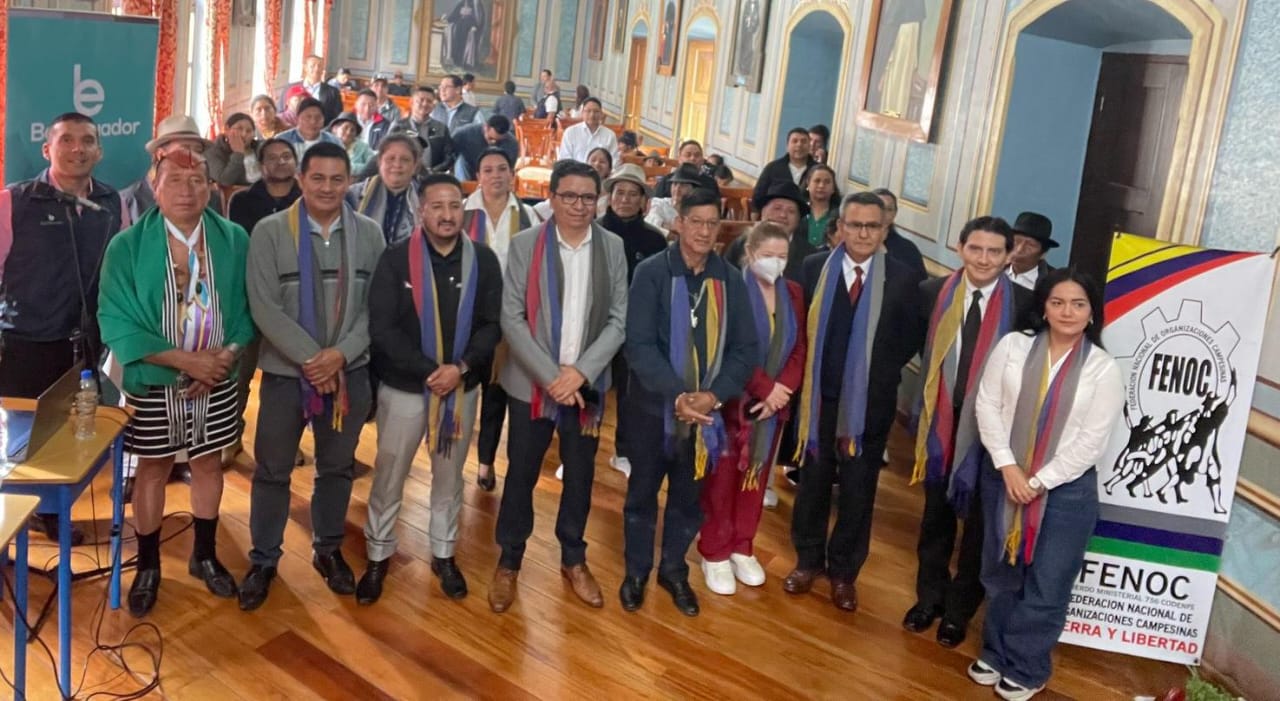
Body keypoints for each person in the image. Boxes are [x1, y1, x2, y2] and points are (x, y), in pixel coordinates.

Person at [97, 147, 253, 617]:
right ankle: (147, 565)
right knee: (153, 467)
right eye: (175, 180)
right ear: (155, 186)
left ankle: (204, 554)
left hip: (216, 378)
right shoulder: (126, 245)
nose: (187, 190)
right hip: (155, 378)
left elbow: (248, 307)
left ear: (210, 187)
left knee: (208, 464)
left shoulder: (233, 239)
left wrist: (222, 360)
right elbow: (115, 318)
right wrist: (187, 362)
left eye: (197, 180)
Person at [239, 142, 386, 611]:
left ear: (350, 182)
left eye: (337, 179)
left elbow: (375, 308)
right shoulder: (269, 232)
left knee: (337, 468)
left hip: (348, 375)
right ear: (301, 179)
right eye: (317, 178)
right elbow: (263, 305)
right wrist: (312, 359)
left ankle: (328, 549)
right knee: (272, 470)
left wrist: (338, 356)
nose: (327, 187)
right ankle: (264, 559)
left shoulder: (369, 234)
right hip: (285, 376)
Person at [969, 269, 1123, 701]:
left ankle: (1027, 666)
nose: (1067, 312)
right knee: (1000, 572)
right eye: (1058, 302)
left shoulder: (1102, 369)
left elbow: (1092, 441)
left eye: (1078, 304)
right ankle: (995, 652)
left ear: (1092, 312)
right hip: (1005, 478)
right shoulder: (1013, 346)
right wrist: (1009, 467)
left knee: (1048, 584)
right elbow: (987, 405)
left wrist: (1037, 481)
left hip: (1066, 492)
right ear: (1043, 307)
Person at [488, 160, 629, 614]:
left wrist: (579, 373)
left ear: (598, 201)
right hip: (532, 384)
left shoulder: (612, 247)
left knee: (581, 475)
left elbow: (618, 320)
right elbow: (511, 317)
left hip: (585, 387)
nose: (578, 205)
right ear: (551, 198)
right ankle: (510, 560)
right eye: (568, 196)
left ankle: (573, 558)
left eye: (588, 197)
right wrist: (552, 376)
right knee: (522, 474)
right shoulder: (526, 244)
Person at [357, 173, 503, 604]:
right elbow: (382, 328)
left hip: (460, 389)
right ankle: (378, 554)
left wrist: (460, 368)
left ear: (464, 210)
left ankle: (444, 553)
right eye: (437, 206)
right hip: (405, 388)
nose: (447, 214)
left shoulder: (483, 261)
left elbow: (492, 324)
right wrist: (429, 371)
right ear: (421, 211)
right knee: (390, 474)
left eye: (454, 205)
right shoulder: (395, 259)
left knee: (449, 476)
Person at [783, 191, 925, 612]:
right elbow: (797, 329)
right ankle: (807, 560)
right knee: (812, 482)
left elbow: (909, 338)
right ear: (840, 227)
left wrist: (873, 374)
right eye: (855, 225)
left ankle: (844, 572)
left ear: (885, 229)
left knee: (859, 488)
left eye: (872, 226)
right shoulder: (813, 268)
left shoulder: (903, 279)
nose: (863, 233)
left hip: (870, 405)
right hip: (819, 401)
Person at [620, 187, 757, 617]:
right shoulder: (651, 273)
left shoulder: (729, 280)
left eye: (712, 223)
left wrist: (713, 395)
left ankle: (674, 569)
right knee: (642, 494)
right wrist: (677, 395)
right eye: (695, 221)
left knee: (688, 498)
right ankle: (637, 570)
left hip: (705, 417)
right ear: (678, 223)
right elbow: (639, 345)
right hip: (651, 411)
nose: (703, 231)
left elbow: (745, 350)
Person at [904, 216, 1032, 650]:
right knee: (935, 517)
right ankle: (929, 599)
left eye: (995, 251)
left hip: (995, 433)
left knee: (980, 524)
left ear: (1009, 256)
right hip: (941, 425)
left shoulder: (1026, 305)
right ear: (960, 248)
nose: (983, 258)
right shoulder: (931, 293)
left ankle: (959, 612)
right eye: (975, 248)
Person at [697, 223, 806, 595]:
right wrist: (765, 388)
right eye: (767, 255)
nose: (775, 263)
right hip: (735, 403)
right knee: (722, 479)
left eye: (782, 256)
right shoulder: (730, 289)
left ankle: (742, 545)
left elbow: (799, 348)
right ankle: (714, 549)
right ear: (750, 253)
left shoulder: (793, 293)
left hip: (772, 409)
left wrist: (782, 391)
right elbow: (727, 347)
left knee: (757, 478)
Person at [462, 147, 541, 490]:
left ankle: (486, 462)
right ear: (478, 176)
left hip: (510, 319)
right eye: (488, 170)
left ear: (512, 174)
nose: (495, 175)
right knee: (463, 389)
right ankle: (450, 460)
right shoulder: (462, 212)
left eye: (502, 169)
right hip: (468, 318)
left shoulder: (528, 215)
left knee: (496, 392)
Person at [227, 138, 303, 448]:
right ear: (260, 166)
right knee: (239, 375)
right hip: (250, 299)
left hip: (294, 304)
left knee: (289, 379)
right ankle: (230, 438)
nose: (280, 162)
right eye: (273, 157)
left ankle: (286, 444)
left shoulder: (307, 201)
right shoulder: (243, 201)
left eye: (287, 156)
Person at [596, 164, 667, 477]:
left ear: (643, 202)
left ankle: (623, 450)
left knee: (629, 393)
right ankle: (579, 450)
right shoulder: (593, 231)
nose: (625, 199)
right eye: (619, 192)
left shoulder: (655, 240)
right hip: (596, 325)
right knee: (590, 388)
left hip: (635, 328)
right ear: (610, 197)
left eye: (632, 194)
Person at [123, 114, 220, 222]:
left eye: (198, 151)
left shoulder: (209, 199)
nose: (193, 157)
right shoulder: (130, 202)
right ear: (160, 154)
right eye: (184, 149)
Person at [723, 181, 816, 283]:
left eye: (791, 211)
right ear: (763, 212)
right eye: (777, 208)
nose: (783, 215)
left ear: (798, 219)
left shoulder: (809, 256)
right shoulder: (741, 244)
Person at [346, 134, 423, 245]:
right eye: (390, 159)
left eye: (405, 160)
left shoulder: (425, 198)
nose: (397, 165)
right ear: (379, 162)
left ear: (415, 166)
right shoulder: (353, 195)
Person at [390, 86, 456, 175]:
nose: (425, 104)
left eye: (429, 101)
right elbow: (389, 152)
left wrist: (433, 171)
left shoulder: (441, 128)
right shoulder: (399, 126)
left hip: (433, 176)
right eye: (421, 100)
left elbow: (449, 157)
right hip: (403, 174)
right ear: (411, 102)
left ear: (434, 105)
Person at [533, 148, 611, 220]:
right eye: (593, 160)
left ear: (609, 169)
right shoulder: (540, 210)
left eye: (602, 162)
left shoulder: (609, 198)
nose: (597, 164)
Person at [873, 188, 928, 279]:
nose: (883, 214)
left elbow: (918, 282)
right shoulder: (853, 243)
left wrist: (884, 255)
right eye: (879, 208)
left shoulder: (908, 249)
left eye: (889, 209)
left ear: (895, 214)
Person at [752, 128, 814, 205]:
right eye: (795, 141)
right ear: (787, 146)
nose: (799, 145)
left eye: (804, 141)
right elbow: (758, 196)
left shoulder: (817, 170)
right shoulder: (772, 168)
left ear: (809, 146)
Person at [646, 163, 713, 234]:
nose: (677, 189)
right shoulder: (659, 204)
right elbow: (651, 227)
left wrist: (664, 225)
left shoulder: (699, 210)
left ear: (694, 189)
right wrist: (673, 233)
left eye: (683, 185)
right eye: (675, 184)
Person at [278, 55, 343, 124]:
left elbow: (337, 116)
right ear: (305, 68)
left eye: (320, 66)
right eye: (312, 66)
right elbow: (281, 109)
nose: (316, 69)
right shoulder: (290, 88)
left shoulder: (333, 92)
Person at [451, 115, 518, 180]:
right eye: (491, 138)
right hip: (467, 170)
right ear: (486, 128)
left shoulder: (511, 144)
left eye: (498, 141)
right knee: (461, 161)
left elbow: (509, 170)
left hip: (494, 174)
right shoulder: (464, 134)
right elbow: (449, 154)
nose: (493, 142)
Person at [557, 97, 620, 165]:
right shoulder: (570, 132)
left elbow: (614, 161)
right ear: (582, 113)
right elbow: (564, 158)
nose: (592, 115)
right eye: (588, 111)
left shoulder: (610, 135)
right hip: (575, 170)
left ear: (601, 114)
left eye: (596, 111)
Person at [277, 97, 344, 160]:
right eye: (308, 117)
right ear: (298, 118)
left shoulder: (334, 142)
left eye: (318, 117)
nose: (313, 121)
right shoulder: (282, 141)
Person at [1005, 211, 1057, 291]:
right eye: (1016, 241)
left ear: (1043, 254)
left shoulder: (1053, 283)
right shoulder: (993, 268)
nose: (1019, 250)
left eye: (1030, 245)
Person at [206, 112, 261, 186]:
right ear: (227, 129)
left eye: (249, 131)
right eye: (239, 129)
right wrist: (238, 154)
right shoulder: (212, 153)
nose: (244, 134)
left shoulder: (261, 149)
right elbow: (225, 181)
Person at [802, 165, 840, 248]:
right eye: (817, 181)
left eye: (827, 182)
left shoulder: (840, 215)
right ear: (808, 183)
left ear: (833, 188)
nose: (821, 185)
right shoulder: (798, 210)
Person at [443, 0, 487, 71]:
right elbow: (455, 14)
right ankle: (457, 60)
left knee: (465, 38)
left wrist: (475, 25)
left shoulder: (476, 4)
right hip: (460, 27)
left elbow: (479, 18)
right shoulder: (462, 3)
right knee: (456, 35)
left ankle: (465, 62)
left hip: (470, 27)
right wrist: (447, 20)